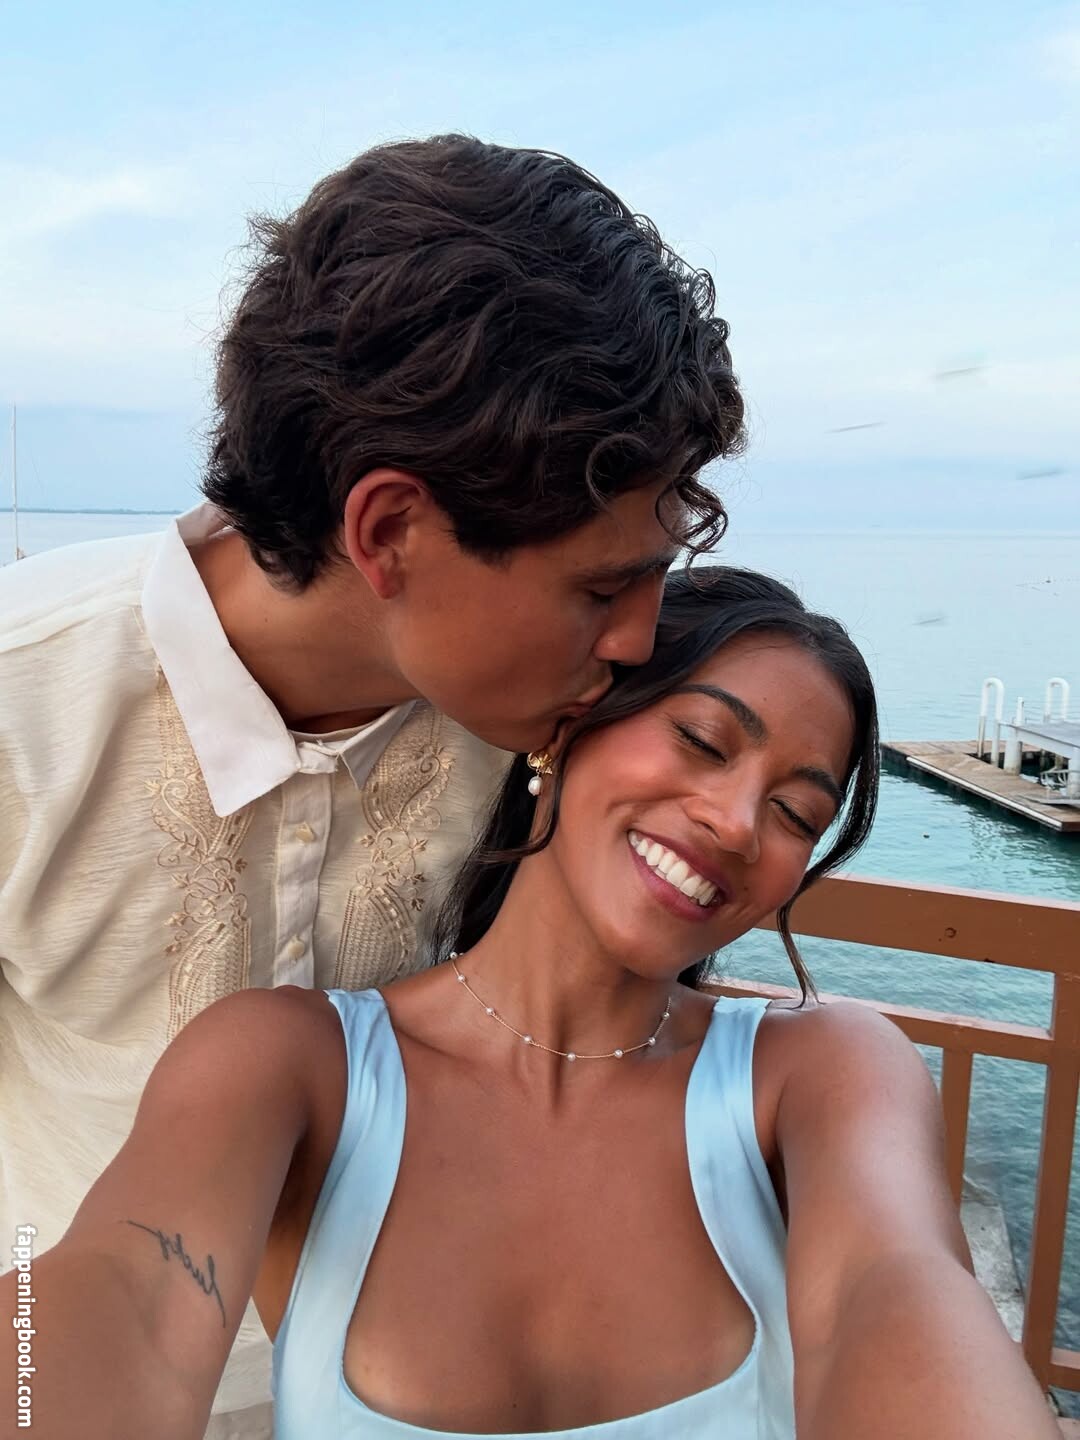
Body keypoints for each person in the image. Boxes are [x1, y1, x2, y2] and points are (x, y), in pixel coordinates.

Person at [0, 137, 745, 1436]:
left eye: (654, 577)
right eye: (600, 586)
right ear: (390, 530)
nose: (639, 640)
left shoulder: (564, 721)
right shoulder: (26, 702)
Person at [1, 567, 1058, 1440]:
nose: (739, 822)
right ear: (566, 732)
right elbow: (128, 1295)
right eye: (702, 741)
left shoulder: (820, 1074)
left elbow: (897, 1288)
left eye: (794, 812)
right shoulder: (293, 1065)